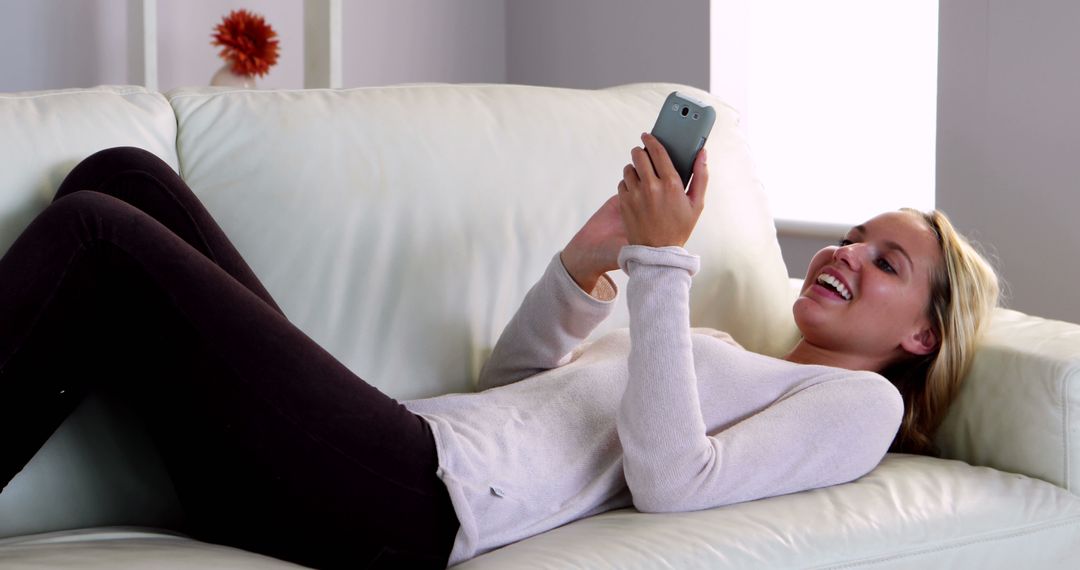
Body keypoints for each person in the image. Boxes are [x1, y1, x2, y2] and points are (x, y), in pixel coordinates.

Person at [0, 134, 999, 569]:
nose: (848, 254)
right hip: (401, 446)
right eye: (853, 238)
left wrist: (659, 262)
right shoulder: (711, 341)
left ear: (921, 335)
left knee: (98, 233)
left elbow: (672, 480)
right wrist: (594, 256)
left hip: (406, 502)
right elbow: (515, 391)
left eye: (888, 263)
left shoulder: (861, 410)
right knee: (123, 177)